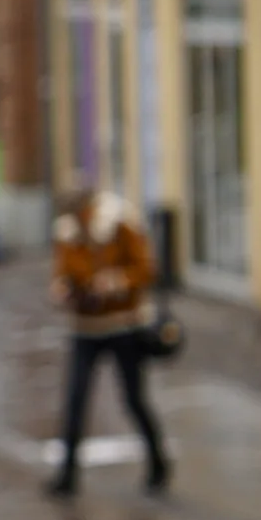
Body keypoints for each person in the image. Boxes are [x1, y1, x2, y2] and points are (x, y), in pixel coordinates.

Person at [47, 189, 170, 497]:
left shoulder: (120, 224)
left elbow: (146, 269)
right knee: (75, 400)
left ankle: (158, 463)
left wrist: (114, 282)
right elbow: (63, 271)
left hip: (122, 326)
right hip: (84, 328)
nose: (78, 221)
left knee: (134, 399)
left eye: (81, 215)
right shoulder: (67, 233)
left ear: (91, 209)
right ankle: (67, 475)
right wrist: (63, 288)